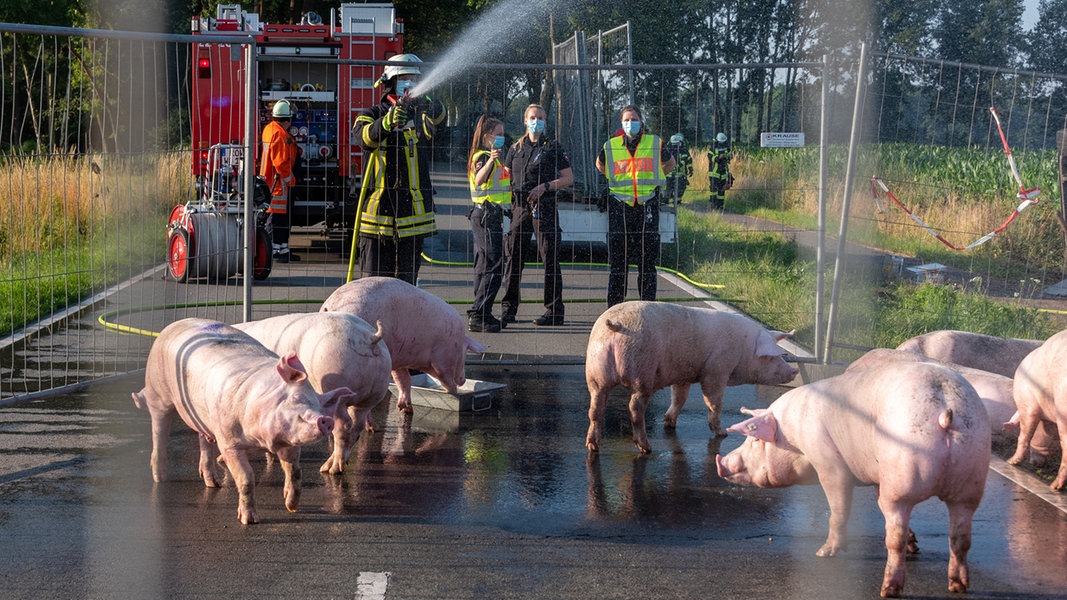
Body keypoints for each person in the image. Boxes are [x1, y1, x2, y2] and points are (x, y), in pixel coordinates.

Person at [351, 53, 445, 284]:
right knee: (372, 284)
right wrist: (386, 122)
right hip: (377, 216)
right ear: (391, 81)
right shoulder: (371, 114)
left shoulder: (420, 115)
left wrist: (425, 103)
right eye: (405, 77)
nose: (411, 83)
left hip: (412, 217)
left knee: (406, 286)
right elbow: (363, 138)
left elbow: (440, 120)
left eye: (415, 78)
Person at [500, 104, 574, 326]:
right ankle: (508, 309)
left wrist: (546, 186)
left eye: (541, 117)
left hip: (545, 207)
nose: (536, 120)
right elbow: (505, 177)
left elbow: (568, 177)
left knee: (549, 258)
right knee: (513, 258)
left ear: (545, 121)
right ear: (525, 120)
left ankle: (554, 311)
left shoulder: (553, 147)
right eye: (533, 117)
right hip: (520, 208)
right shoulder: (515, 148)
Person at [595, 105, 675, 307]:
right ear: (621, 123)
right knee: (618, 264)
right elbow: (600, 164)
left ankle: (648, 310)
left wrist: (655, 178)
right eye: (627, 120)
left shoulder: (654, 143)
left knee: (646, 264)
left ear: (642, 122)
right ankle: (614, 309)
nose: (631, 123)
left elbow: (670, 163)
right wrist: (614, 179)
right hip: (619, 208)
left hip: (646, 207)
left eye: (634, 119)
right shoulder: (611, 145)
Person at [466, 115, 511, 333]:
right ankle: (480, 314)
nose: (503, 138)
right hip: (486, 215)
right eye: (499, 134)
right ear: (487, 136)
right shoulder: (483, 156)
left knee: (484, 265)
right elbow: (479, 179)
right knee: (493, 265)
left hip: (490, 215)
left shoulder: (494, 158)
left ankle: (481, 312)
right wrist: (492, 161)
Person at [260, 99, 300, 262]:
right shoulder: (279, 134)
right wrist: (291, 180)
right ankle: (274, 251)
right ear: (287, 119)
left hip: (273, 182)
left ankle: (281, 250)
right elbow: (281, 162)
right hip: (278, 184)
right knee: (276, 218)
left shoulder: (270, 129)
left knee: (282, 219)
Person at [665, 132, 693, 203]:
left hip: (680, 174)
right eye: (673, 144)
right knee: (669, 190)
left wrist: (690, 169)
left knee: (680, 189)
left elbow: (687, 160)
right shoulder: (667, 150)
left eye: (676, 144)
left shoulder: (683, 150)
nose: (674, 146)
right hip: (669, 175)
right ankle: (671, 202)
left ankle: (677, 202)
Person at [708, 131, 732, 210]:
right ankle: (713, 203)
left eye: (723, 142)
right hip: (714, 172)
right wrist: (718, 158)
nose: (722, 143)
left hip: (723, 171)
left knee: (722, 189)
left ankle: (720, 205)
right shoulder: (713, 147)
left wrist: (728, 157)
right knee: (713, 189)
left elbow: (730, 155)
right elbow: (710, 156)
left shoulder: (727, 146)